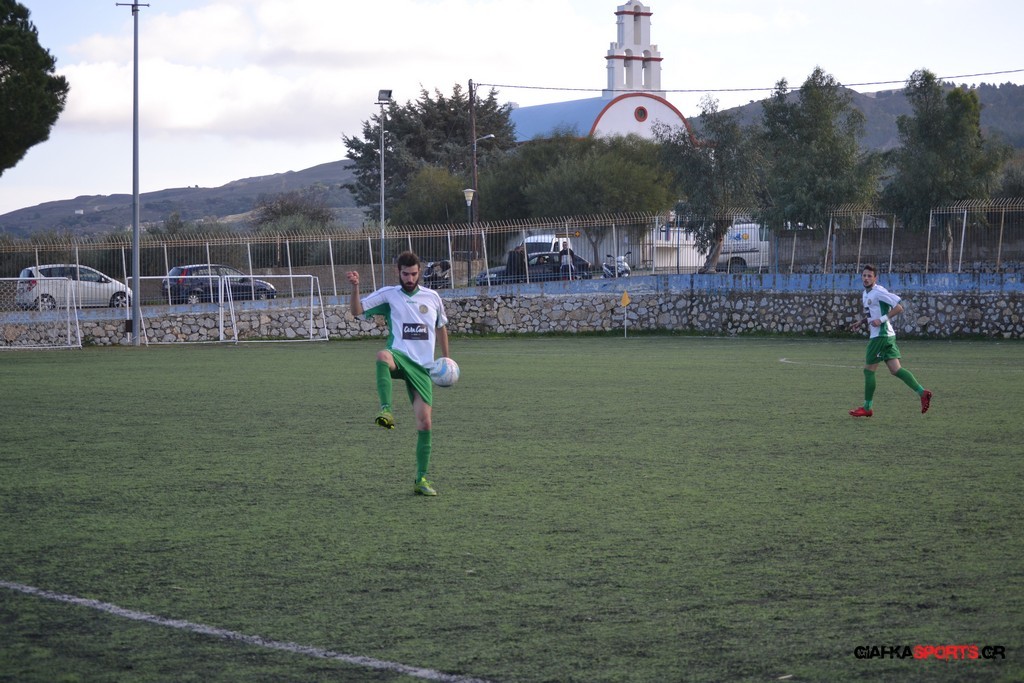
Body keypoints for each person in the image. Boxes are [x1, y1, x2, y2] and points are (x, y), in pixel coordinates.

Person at [346, 251, 451, 496]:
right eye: (405, 274)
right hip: (400, 356)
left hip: (423, 368)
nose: (410, 278)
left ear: (419, 272)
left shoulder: (432, 297)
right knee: (382, 356)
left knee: (425, 423)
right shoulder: (389, 295)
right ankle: (386, 410)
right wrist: (355, 287)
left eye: (413, 274)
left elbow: (441, 327)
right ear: (398, 272)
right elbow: (357, 310)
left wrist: (446, 358)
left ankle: (421, 479)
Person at [848, 264, 932, 417]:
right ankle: (922, 393)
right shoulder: (865, 293)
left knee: (868, 371)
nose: (866, 278)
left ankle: (867, 407)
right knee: (896, 370)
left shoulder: (879, 292)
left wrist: (881, 320)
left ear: (875, 278)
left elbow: (899, 308)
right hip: (887, 336)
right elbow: (873, 314)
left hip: (880, 336)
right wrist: (861, 322)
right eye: (864, 275)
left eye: (869, 276)